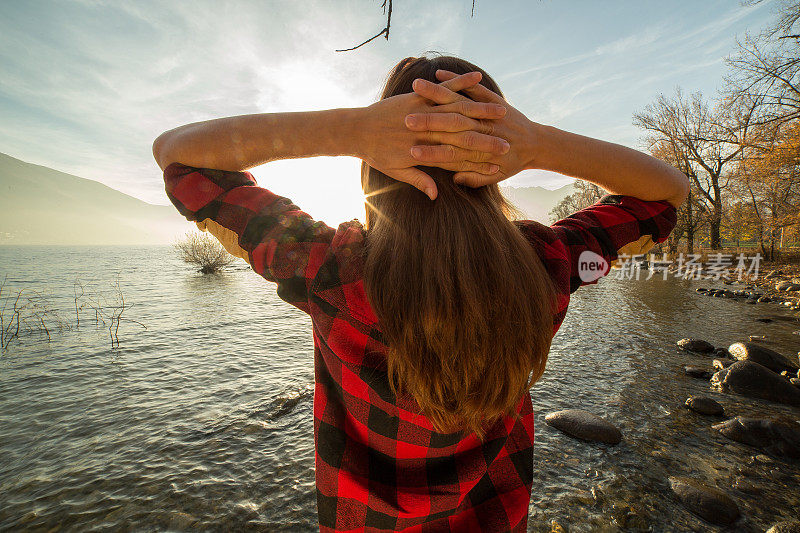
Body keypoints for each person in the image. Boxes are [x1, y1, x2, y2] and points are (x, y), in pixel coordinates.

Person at [152, 54, 688, 532]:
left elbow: (179, 156)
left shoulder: (328, 266)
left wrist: (350, 129)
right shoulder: (543, 262)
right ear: (501, 160)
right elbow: (666, 193)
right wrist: (540, 144)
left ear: (375, 163)